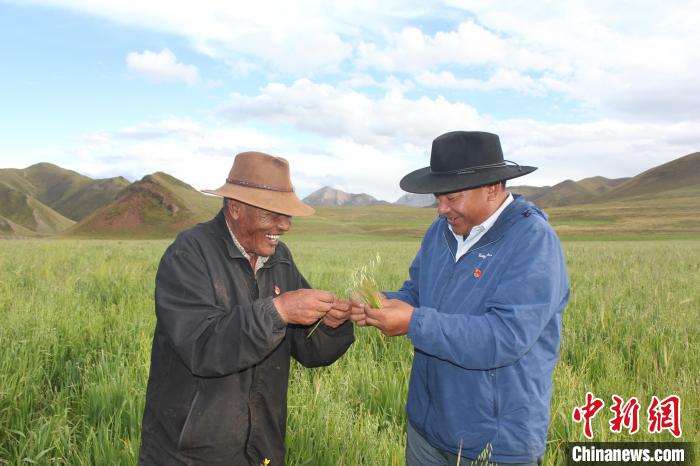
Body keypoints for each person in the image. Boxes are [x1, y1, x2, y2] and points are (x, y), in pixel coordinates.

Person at [351, 131, 569, 465]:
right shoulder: (441, 232)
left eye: (451, 197)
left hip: (494, 445)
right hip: (428, 431)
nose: (441, 209)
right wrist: (379, 304)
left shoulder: (532, 240)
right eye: (438, 197)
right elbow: (417, 294)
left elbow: (505, 336)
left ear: (492, 188)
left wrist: (413, 321)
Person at [139, 152, 354, 466]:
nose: (284, 225)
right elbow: (202, 345)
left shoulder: (280, 259)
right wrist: (277, 311)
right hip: (187, 453)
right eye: (273, 213)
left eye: (288, 215)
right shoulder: (189, 254)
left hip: (261, 448)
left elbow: (309, 352)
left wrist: (332, 325)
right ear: (235, 208)